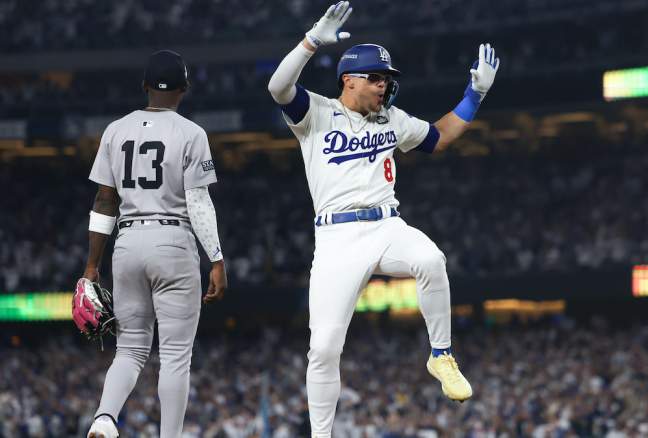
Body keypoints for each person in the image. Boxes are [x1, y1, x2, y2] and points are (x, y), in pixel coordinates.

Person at [267, 2, 499, 435]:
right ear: (349, 80)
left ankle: (441, 354)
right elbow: (278, 87)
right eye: (375, 78)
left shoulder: (392, 119)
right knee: (323, 348)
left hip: (386, 225)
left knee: (431, 260)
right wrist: (311, 40)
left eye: (387, 79)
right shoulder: (314, 113)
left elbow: (439, 136)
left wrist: (475, 96)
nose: (383, 86)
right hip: (336, 238)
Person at [77, 49, 228, 438]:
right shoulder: (191, 133)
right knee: (176, 357)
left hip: (127, 242)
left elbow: (104, 201)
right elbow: (197, 201)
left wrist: (92, 266)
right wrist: (216, 258)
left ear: (144, 86)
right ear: (184, 88)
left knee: (129, 349)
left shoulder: (115, 130)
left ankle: (104, 418)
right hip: (173, 239)